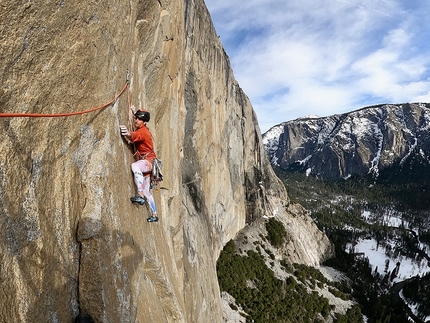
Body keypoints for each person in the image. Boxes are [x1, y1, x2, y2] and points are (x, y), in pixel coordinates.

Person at [120, 108, 158, 222]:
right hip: (150, 163)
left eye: (138, 119)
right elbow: (138, 130)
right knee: (148, 192)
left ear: (144, 122)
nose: (136, 120)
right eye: (135, 118)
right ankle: (154, 215)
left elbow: (134, 136)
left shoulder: (143, 132)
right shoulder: (144, 128)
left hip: (148, 162)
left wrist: (127, 133)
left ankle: (139, 194)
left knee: (135, 166)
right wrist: (134, 111)